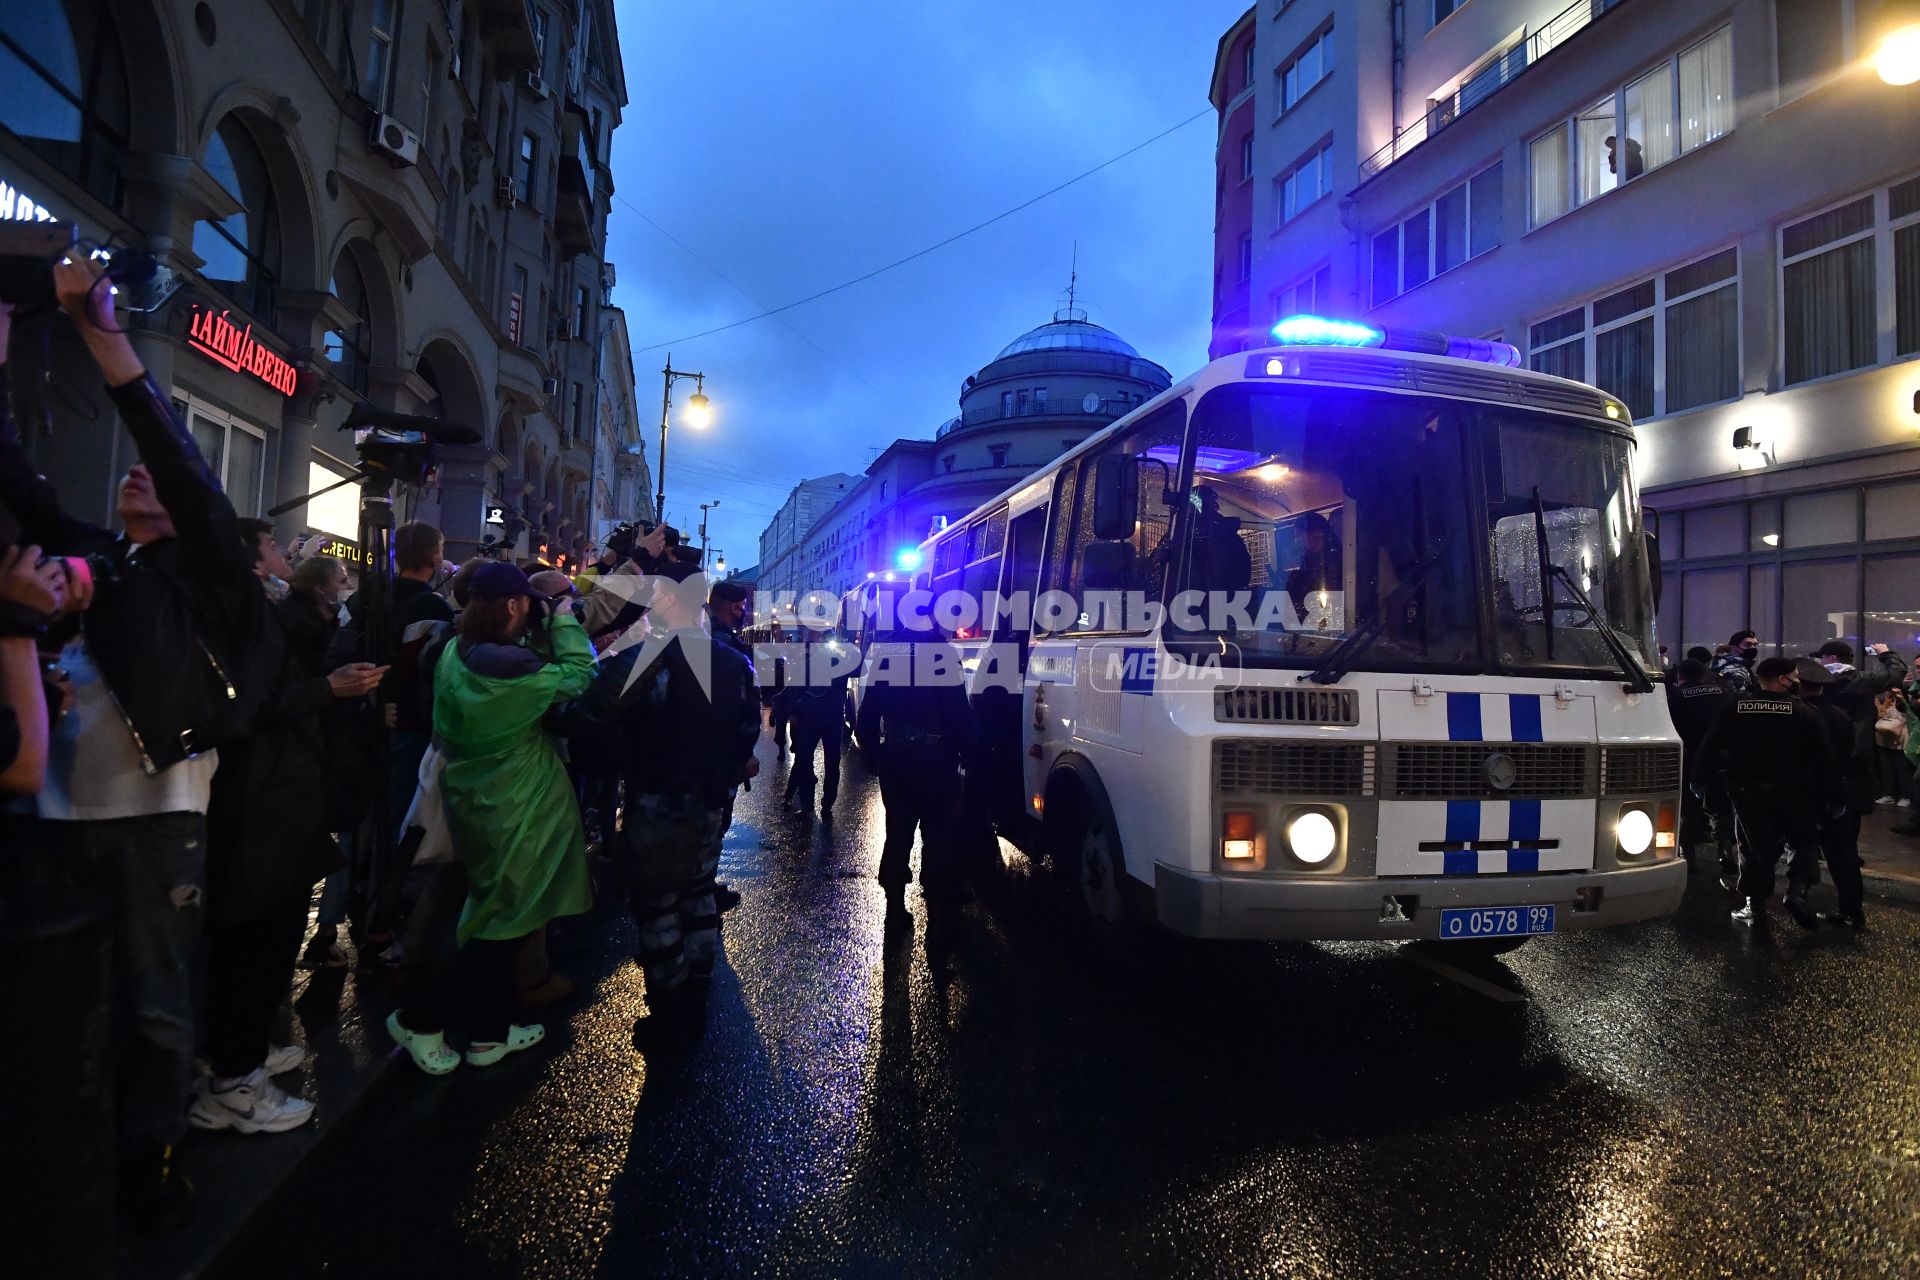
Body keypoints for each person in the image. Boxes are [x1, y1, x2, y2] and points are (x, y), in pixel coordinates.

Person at [0, 256, 265, 1231]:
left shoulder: (215, 585)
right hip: (60, 816)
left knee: (156, 1003)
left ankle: (151, 1154)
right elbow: (22, 491)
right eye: (131, 474)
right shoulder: (105, 565)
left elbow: (184, 470)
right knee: (67, 1000)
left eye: (163, 475)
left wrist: (105, 337)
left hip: (156, 824)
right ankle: (70, 1148)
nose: (139, 473)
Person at [193, 527, 387, 1132]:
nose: (286, 557)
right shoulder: (254, 621)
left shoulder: (267, 613)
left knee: (260, 936)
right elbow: (258, 702)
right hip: (261, 798)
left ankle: (238, 1052)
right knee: (251, 936)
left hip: (278, 790)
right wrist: (329, 687)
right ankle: (232, 1075)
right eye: (275, 548)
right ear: (251, 567)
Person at [386, 562, 597, 1074]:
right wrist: (565, 619)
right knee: (492, 921)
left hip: (469, 796)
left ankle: (487, 1032)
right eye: (526, 602)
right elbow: (581, 674)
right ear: (511, 606)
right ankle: (435, 1023)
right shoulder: (515, 670)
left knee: (489, 914)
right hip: (513, 803)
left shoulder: (455, 652)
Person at [567, 561, 760, 1042]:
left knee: (657, 905)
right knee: (697, 893)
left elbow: (586, 716)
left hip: (656, 801)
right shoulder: (735, 662)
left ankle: (670, 1014)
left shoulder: (641, 658)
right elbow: (747, 733)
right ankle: (696, 991)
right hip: (710, 800)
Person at [1698, 656, 1841, 928]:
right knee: (1803, 840)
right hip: (1794, 790)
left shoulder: (1736, 707)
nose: (1798, 680)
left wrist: (1701, 780)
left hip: (1748, 792)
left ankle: (1754, 904)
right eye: (1794, 675)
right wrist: (1833, 793)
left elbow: (1711, 745)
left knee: (1752, 847)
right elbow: (1824, 756)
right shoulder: (1802, 711)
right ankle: (1797, 891)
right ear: (1782, 679)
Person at [857, 621, 976, 944]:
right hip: (937, 763)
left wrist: (873, 756)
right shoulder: (942, 655)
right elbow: (959, 714)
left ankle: (895, 909)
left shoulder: (887, 656)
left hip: (896, 761)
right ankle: (937, 923)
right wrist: (971, 753)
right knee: (938, 840)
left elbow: (867, 715)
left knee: (897, 834)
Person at [1790, 659, 1868, 928]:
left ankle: (1797, 895)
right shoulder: (1839, 715)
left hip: (1805, 793)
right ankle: (1852, 911)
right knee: (1843, 856)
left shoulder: (1797, 714)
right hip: (1836, 793)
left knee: (1801, 847)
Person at [1667, 656, 1736, 880]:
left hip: (1690, 758)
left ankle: (1688, 857)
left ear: (1681, 677)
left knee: (1689, 809)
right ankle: (1725, 851)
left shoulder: (1676, 697)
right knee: (1721, 807)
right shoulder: (1724, 692)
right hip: (1723, 757)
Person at [779, 640, 847, 822]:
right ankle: (818, 804)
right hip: (825, 720)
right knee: (819, 762)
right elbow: (796, 690)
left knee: (811, 761)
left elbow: (796, 690)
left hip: (818, 720)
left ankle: (813, 804)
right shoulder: (837, 664)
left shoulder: (829, 664)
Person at [1285, 511, 1343, 625]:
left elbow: (1334, 594)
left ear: (1317, 535)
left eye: (1300, 536)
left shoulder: (1336, 557)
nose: (1298, 541)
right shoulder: (1306, 556)